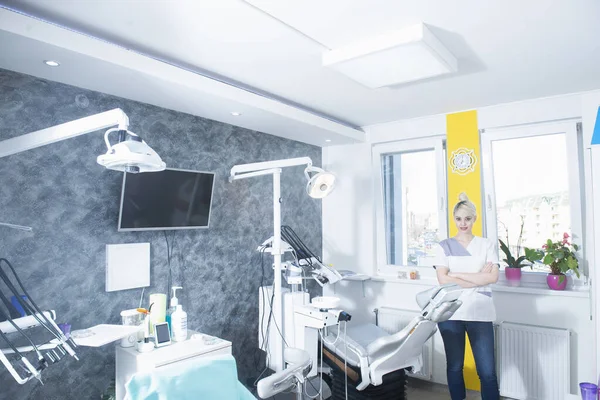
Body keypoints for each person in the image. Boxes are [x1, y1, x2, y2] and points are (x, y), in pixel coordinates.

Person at [432, 192, 500, 400]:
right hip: (451, 312)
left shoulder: (486, 244)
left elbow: (493, 277)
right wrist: (479, 276)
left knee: (487, 371)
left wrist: (457, 275)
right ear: (454, 219)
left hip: (480, 312)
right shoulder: (443, 246)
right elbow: (443, 280)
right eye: (459, 218)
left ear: (475, 219)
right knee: (454, 366)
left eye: (467, 218)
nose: (463, 223)